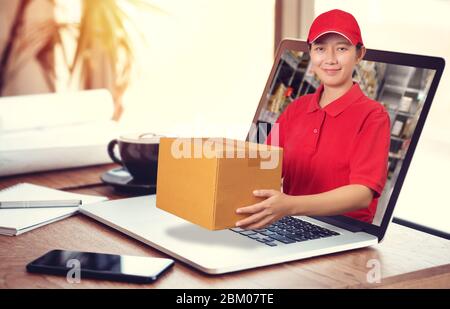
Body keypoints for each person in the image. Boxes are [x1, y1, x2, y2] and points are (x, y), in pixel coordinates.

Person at [236, 9, 391, 229]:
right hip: (289, 223)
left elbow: (362, 194)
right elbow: (263, 165)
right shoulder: (296, 109)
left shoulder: (373, 116)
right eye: (320, 49)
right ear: (310, 53)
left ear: (359, 54)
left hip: (343, 232)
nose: (330, 59)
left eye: (341, 49)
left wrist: (289, 205)